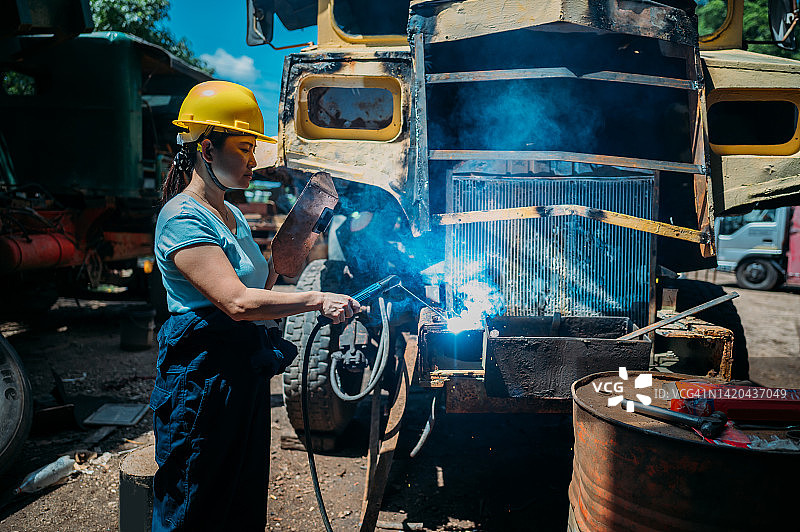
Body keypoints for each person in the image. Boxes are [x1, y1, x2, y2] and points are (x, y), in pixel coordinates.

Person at [150, 80, 359, 531]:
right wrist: (317, 298)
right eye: (244, 147)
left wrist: (293, 244)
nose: (253, 160)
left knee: (240, 499)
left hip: (239, 370)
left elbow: (260, 286)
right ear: (207, 148)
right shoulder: (182, 216)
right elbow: (238, 302)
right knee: (195, 502)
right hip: (201, 375)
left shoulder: (232, 213)